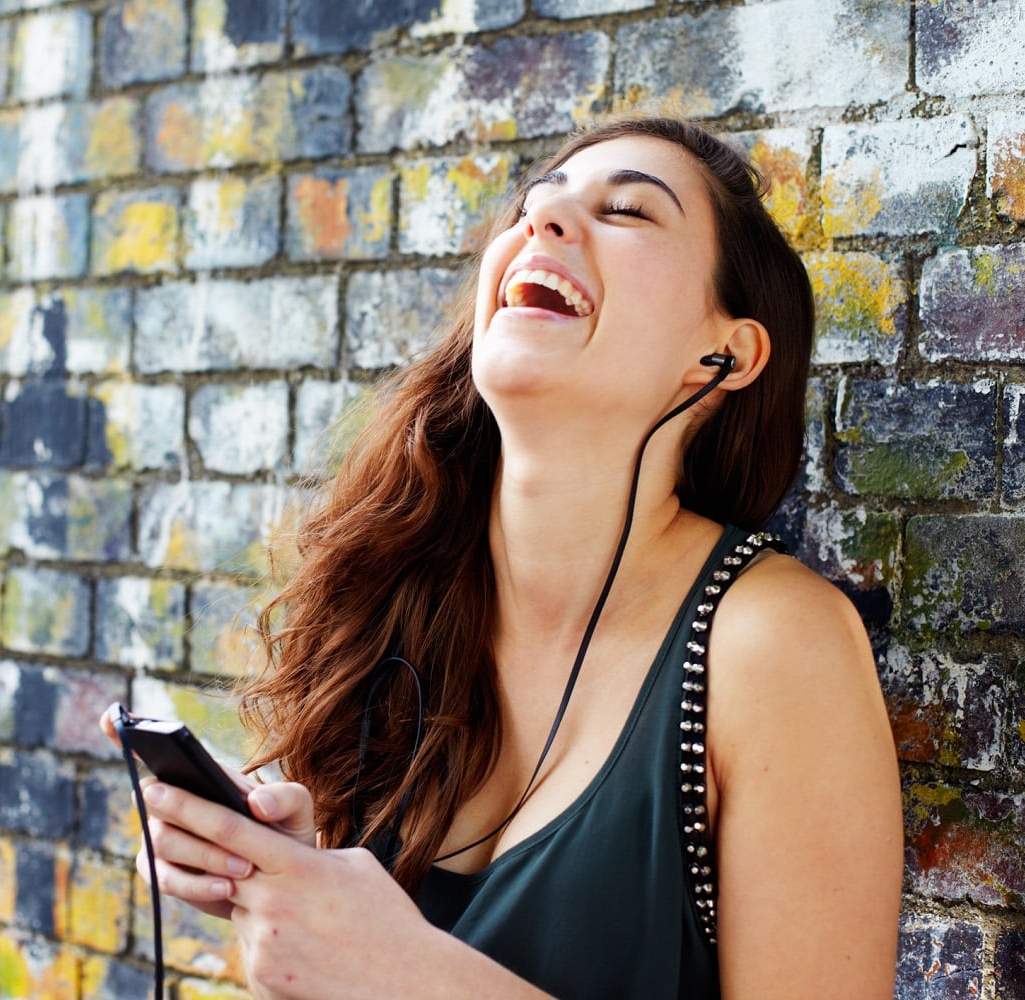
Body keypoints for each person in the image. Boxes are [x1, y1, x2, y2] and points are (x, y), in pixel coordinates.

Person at [108, 116, 903, 999]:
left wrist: (406, 974)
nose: (546, 222)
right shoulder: (406, 600)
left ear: (724, 354)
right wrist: (300, 892)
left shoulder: (773, 645)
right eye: (536, 204)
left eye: (629, 211)